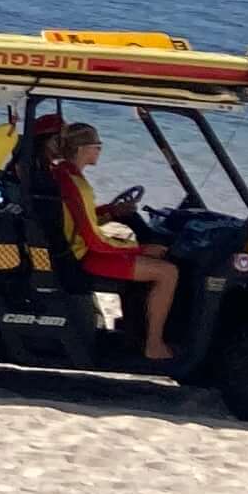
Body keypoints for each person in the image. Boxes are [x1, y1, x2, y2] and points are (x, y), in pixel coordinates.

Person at [46, 116, 179, 363]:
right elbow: (93, 240)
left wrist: (111, 212)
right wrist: (138, 249)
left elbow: (82, 218)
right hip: (84, 256)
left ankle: (133, 333)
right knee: (167, 273)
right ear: (82, 149)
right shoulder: (75, 182)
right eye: (97, 145)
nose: (99, 150)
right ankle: (154, 344)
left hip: (79, 248)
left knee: (153, 264)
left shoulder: (66, 174)